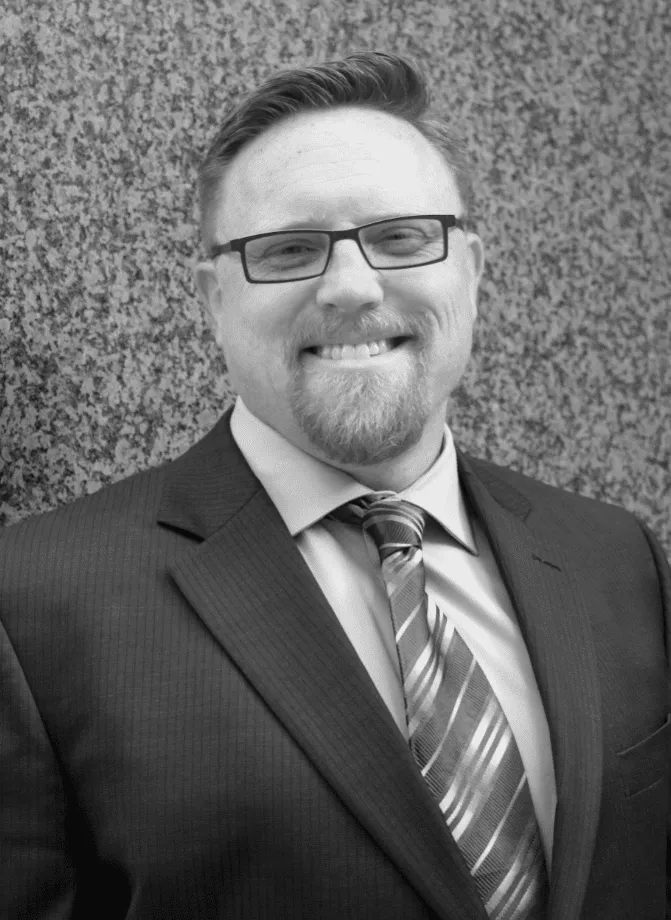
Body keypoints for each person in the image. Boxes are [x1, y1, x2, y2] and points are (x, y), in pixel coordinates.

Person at [1, 50, 669, 920]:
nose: (351, 287)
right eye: (288, 249)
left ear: (470, 267)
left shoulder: (615, 557)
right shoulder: (32, 602)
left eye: (401, 237)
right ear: (212, 296)